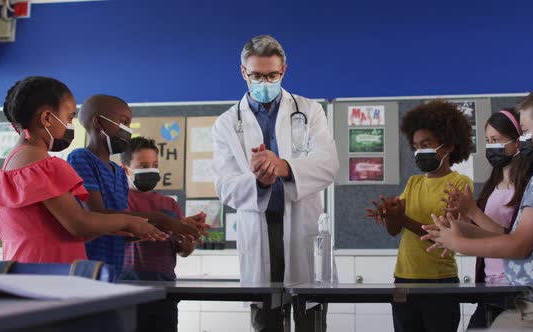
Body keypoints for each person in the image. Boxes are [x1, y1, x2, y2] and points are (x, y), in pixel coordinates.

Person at [212, 35, 339, 331]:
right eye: (256, 75)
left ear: (284, 71)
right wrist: (259, 182)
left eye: (272, 75)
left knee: (311, 321)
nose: (264, 82)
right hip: (259, 232)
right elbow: (225, 185)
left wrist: (284, 167)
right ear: (243, 72)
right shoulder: (226, 124)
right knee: (266, 323)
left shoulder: (309, 111)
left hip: (304, 230)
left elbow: (328, 165)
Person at [424, 83, 533, 331]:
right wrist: (464, 230)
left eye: (525, 131)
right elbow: (532, 238)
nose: (524, 140)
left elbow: (520, 244)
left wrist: (457, 243)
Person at [0, 76, 167, 263]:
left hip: (31, 270)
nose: (71, 125)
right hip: (47, 275)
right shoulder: (39, 162)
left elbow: (67, 231)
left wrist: (131, 227)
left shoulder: (16, 160)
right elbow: (79, 224)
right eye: (69, 117)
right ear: (47, 118)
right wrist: (129, 221)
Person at [67, 94, 207, 275]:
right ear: (98, 122)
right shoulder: (81, 158)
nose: (127, 129)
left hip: (113, 273)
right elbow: (95, 214)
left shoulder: (117, 173)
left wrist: (174, 227)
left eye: (129, 124)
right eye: (123, 122)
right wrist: (161, 219)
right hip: (88, 269)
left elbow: (121, 228)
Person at [366, 100, 474, 332]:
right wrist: (388, 214)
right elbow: (394, 230)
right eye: (416, 146)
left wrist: (402, 218)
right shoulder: (413, 183)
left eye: (427, 144)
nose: (420, 151)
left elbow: (442, 235)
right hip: (403, 279)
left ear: (448, 146)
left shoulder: (459, 183)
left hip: (439, 281)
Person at [441, 108, 533, 329]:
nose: (491, 146)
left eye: (497, 139)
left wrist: (474, 212)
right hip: (489, 285)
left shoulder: (531, 186)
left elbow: (515, 239)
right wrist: (456, 227)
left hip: (515, 289)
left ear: (517, 142)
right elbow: (482, 232)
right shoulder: (492, 185)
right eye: (487, 140)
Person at [119, 136, 196, 332]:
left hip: (164, 289)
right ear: (125, 168)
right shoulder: (118, 202)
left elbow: (182, 250)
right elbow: (118, 234)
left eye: (154, 165)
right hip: (125, 288)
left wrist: (188, 240)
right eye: (143, 165)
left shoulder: (169, 204)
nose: (150, 170)